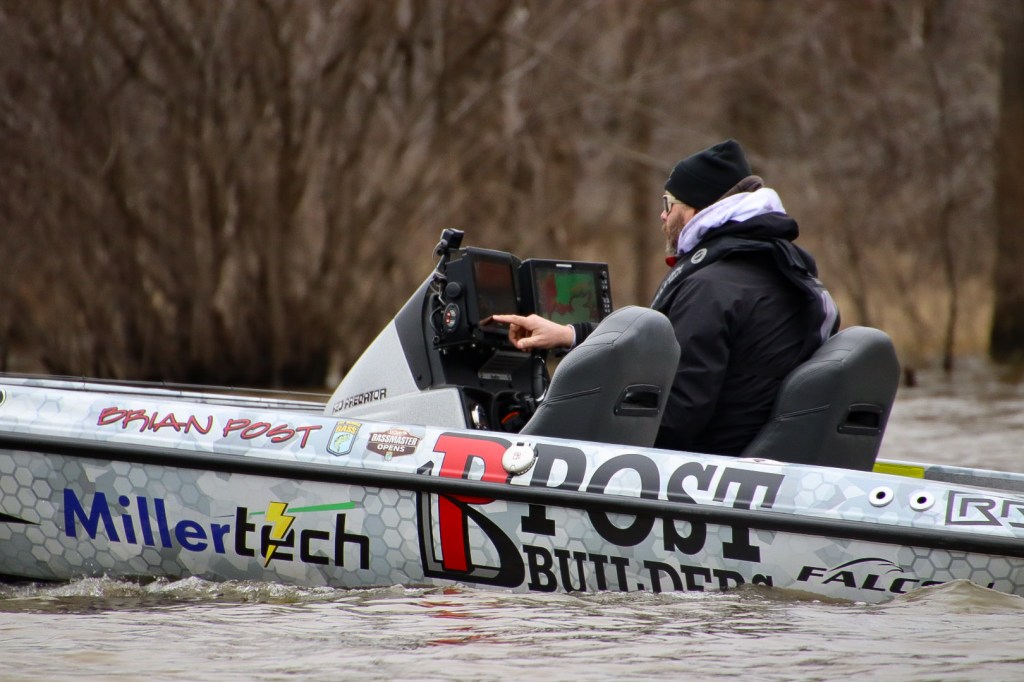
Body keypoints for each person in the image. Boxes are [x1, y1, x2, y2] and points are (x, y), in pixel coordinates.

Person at [492, 139, 839, 456]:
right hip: (760, 466)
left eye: (668, 203)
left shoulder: (711, 288)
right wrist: (571, 335)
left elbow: (674, 414)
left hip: (704, 473)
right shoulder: (785, 273)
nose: (662, 214)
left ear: (695, 208)